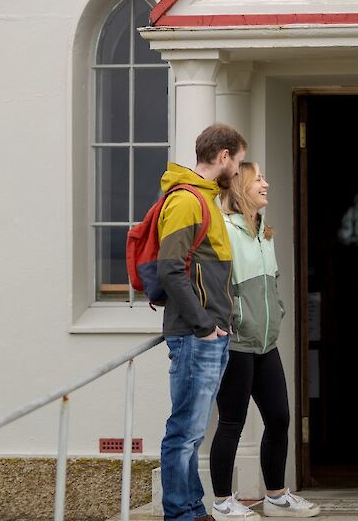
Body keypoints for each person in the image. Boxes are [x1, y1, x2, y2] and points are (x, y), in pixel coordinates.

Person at [208, 163, 319, 520]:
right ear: (240, 187)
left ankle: (276, 497)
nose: (266, 184)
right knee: (232, 423)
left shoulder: (263, 233)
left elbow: (272, 284)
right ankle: (223, 502)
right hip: (237, 344)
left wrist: (279, 311)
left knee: (280, 418)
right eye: (258, 179)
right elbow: (215, 285)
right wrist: (235, 318)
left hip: (265, 344)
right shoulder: (224, 230)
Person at [159, 123, 248, 521]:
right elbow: (170, 269)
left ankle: (192, 509)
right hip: (198, 337)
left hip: (209, 335)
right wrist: (203, 326)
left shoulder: (208, 199)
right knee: (185, 432)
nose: (240, 172)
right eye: (239, 162)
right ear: (224, 156)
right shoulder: (187, 200)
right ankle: (181, 514)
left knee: (192, 433)